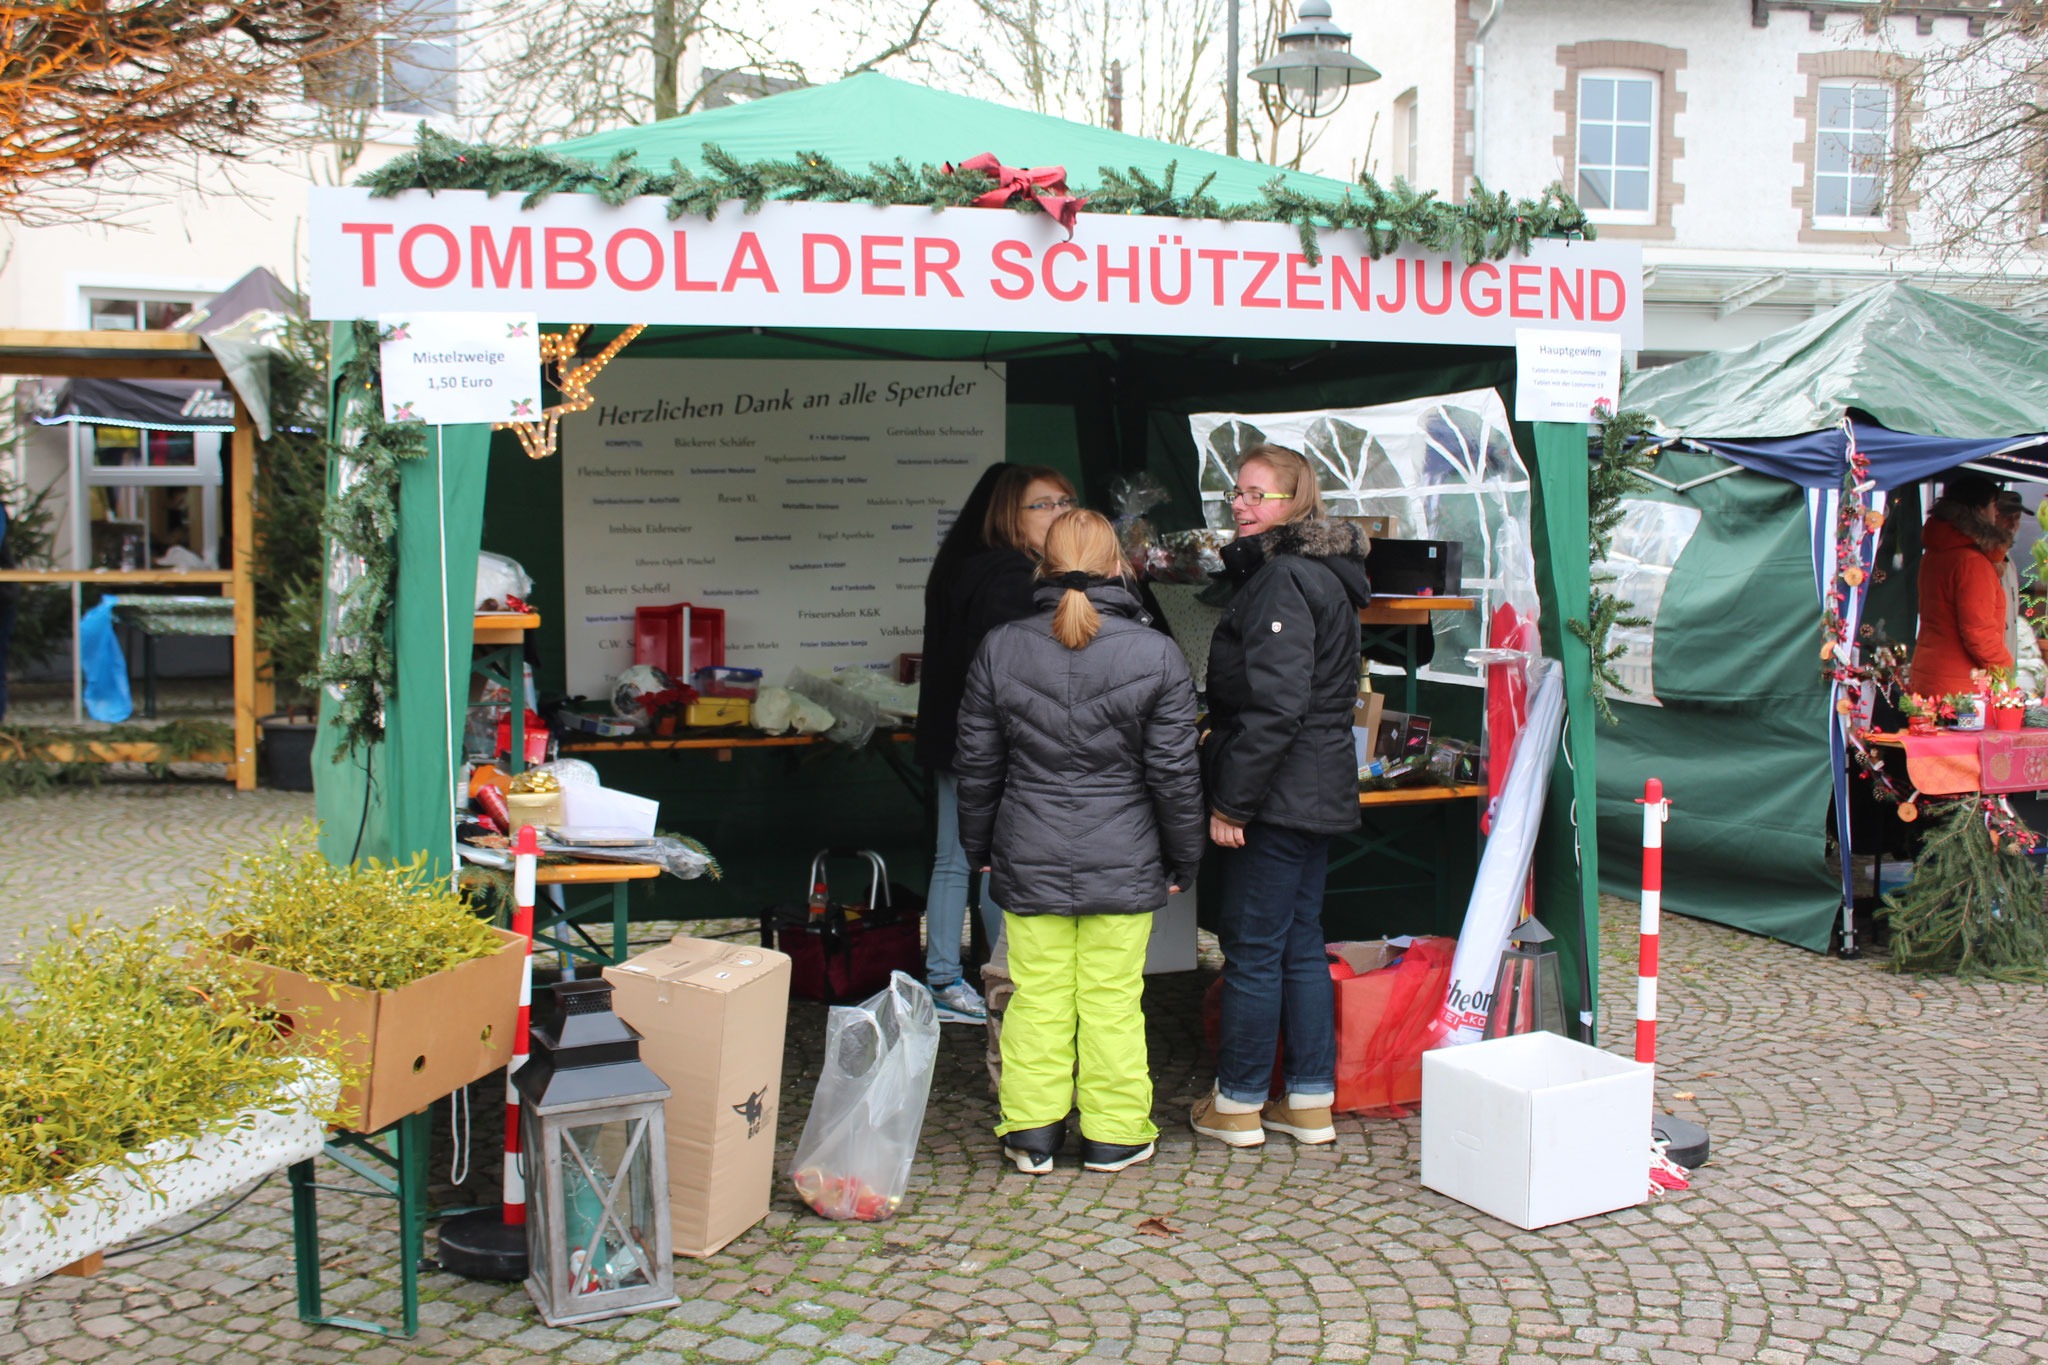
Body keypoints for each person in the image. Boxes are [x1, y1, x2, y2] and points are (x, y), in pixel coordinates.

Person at [954, 509, 1204, 1174]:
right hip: (1125, 855)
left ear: (1042, 565)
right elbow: (1175, 773)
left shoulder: (1000, 647)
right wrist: (1184, 856)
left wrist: (979, 848)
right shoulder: (1156, 652)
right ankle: (1114, 1134)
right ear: (1119, 566)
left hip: (1027, 848)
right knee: (1112, 999)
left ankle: (1031, 1133)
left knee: (1036, 998)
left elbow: (977, 766)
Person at [1192, 444, 1373, 1149]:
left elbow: (1276, 706)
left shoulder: (1282, 578)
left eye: (1257, 494)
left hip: (1278, 791)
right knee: (1299, 942)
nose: (1241, 505)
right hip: (1313, 784)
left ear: (1294, 502)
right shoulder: (1321, 573)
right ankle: (1308, 1099)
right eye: (1236, 492)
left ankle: (1238, 1102)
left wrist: (1232, 802)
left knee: (1255, 947)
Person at [914, 463, 1081, 1024]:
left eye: (1065, 501)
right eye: (1043, 504)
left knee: (957, 859)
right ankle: (987, 980)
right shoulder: (1010, 576)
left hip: (958, 737)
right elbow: (1015, 673)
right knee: (987, 861)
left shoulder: (967, 565)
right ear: (1011, 514)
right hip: (987, 743)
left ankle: (951, 977)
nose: (1059, 513)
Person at [1908, 472, 2013, 701]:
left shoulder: (1936, 553)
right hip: (1961, 685)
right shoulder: (1970, 561)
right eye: (1993, 505)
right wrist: (2006, 672)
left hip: (1930, 673)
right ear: (1978, 509)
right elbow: (1979, 632)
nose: (1997, 513)